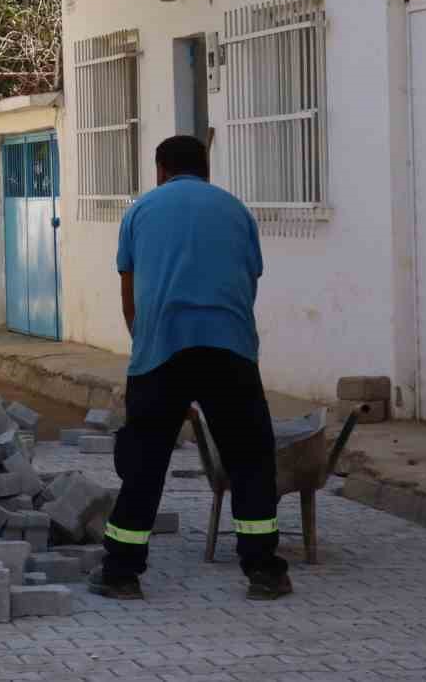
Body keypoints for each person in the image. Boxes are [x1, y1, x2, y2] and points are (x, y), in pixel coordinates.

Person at [91, 135, 291, 601]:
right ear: (207, 169)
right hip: (230, 348)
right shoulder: (236, 211)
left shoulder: (141, 211)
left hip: (161, 348)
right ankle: (263, 570)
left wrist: (145, 356)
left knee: (145, 461)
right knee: (249, 458)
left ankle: (121, 573)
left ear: (161, 169)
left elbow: (130, 292)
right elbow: (249, 280)